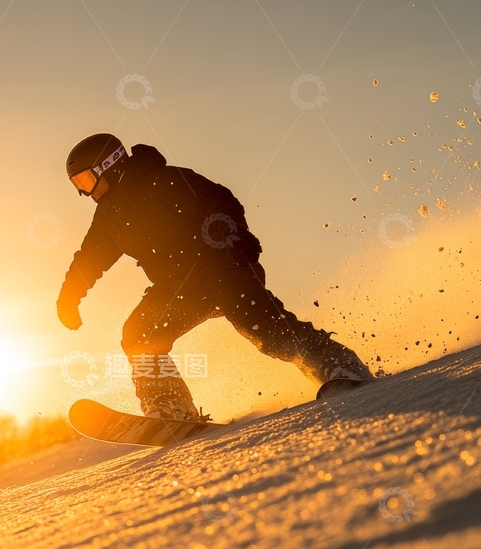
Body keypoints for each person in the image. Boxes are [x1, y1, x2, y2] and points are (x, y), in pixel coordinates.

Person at [57, 133, 373, 421]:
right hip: (177, 288)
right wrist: (69, 296)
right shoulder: (109, 218)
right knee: (140, 334)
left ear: (109, 165)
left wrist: (232, 231)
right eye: (78, 185)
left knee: (264, 330)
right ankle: (170, 406)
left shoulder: (165, 181)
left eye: (86, 181)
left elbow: (216, 200)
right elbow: (88, 260)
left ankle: (337, 364)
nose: (85, 192)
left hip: (221, 265)